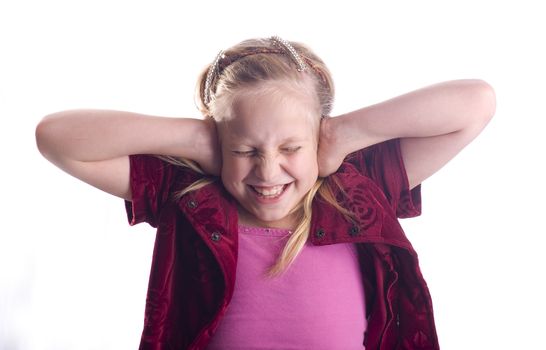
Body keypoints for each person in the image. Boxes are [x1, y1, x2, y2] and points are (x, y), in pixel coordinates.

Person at [35, 36, 495, 349]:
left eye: (292, 147)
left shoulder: (357, 190)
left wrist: (345, 134)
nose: (267, 169)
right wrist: (198, 140)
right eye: (244, 149)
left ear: (317, 138)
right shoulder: (191, 196)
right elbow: (56, 138)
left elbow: (476, 103)